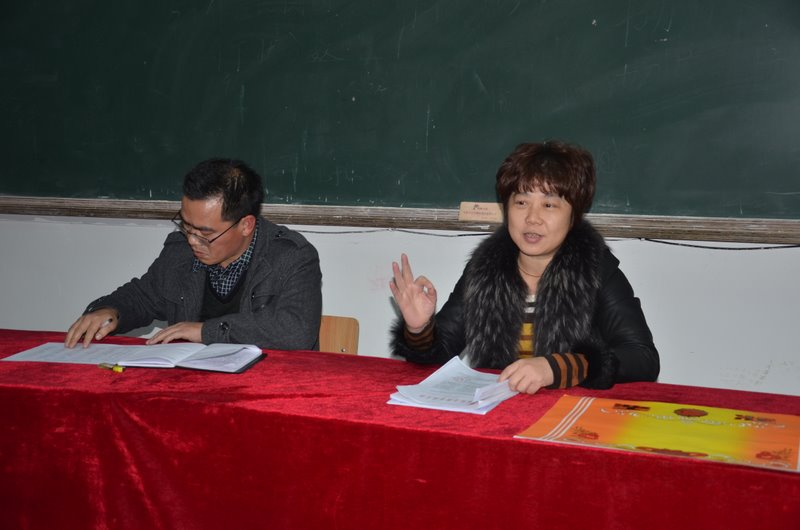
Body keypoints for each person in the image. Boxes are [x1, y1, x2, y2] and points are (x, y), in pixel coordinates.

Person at [389, 141, 659, 394]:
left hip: (568, 413)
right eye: (521, 202)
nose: (532, 218)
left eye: (549, 204)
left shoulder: (596, 270)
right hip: (498, 409)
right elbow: (441, 352)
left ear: (574, 215)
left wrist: (557, 368)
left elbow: (642, 357)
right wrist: (419, 329)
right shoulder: (485, 270)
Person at [65, 158, 322, 350]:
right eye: (186, 225)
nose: (191, 240)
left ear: (246, 225)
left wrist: (205, 332)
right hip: (192, 385)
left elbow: (296, 331)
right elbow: (143, 296)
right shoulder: (180, 251)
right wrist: (110, 311)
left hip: (265, 387)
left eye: (205, 233)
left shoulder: (292, 257)